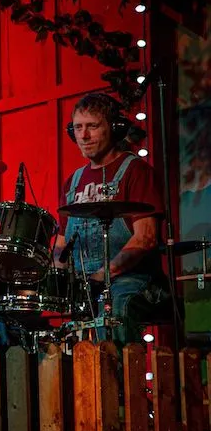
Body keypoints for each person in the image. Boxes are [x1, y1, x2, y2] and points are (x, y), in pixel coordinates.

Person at [54, 92, 171, 346]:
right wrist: (57, 277)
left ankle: (121, 384)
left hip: (136, 280)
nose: (83, 136)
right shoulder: (72, 183)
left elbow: (146, 238)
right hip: (87, 285)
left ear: (115, 129)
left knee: (115, 306)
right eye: (78, 128)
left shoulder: (135, 171)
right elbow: (61, 244)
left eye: (92, 127)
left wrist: (102, 275)